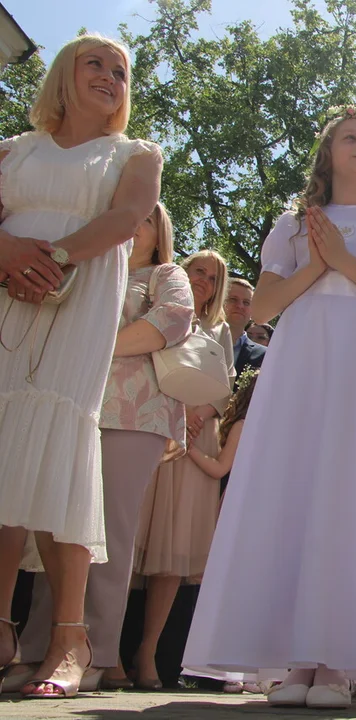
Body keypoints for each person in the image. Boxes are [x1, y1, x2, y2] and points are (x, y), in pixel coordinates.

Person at [182, 105, 356, 710]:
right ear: (328, 153)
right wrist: (316, 265)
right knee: (296, 488)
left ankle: (339, 660)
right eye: (352, 138)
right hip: (300, 364)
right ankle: (298, 659)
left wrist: (344, 263)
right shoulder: (292, 224)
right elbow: (266, 306)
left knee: (350, 492)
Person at [0, 33, 163, 700]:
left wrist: (50, 261)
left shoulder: (135, 154)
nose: (108, 75)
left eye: (120, 70)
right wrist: (9, 253)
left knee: (59, 448)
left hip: (79, 292)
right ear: (63, 78)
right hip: (5, 288)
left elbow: (126, 220)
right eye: (94, 63)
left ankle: (71, 636)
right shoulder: (12, 150)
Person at [9, 201, 190, 693]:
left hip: (134, 415)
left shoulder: (165, 274)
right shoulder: (89, 269)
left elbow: (173, 321)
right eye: (130, 216)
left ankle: (95, 652)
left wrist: (91, 343)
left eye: (148, 218)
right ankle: (39, 648)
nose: (137, 224)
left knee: (107, 530)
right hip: (67, 404)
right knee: (54, 522)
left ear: (161, 232)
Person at [130, 248, 234, 689]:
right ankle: (104, 647)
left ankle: (147, 654)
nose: (204, 282)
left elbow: (227, 388)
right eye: (198, 271)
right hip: (148, 428)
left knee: (172, 553)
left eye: (213, 278)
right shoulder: (154, 311)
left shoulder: (220, 330)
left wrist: (198, 414)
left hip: (193, 442)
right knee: (130, 537)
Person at [225, 278, 265, 384]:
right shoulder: (199, 340)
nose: (240, 306)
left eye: (246, 303)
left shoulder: (265, 356)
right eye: (233, 299)